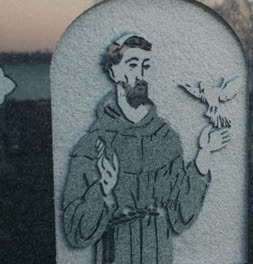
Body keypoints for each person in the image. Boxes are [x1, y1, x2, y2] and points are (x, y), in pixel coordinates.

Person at [62, 34, 230, 264]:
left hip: (159, 253)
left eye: (146, 66)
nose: (140, 75)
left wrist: (204, 155)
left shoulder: (165, 138)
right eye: (132, 65)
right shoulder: (94, 143)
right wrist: (102, 190)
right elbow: (75, 231)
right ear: (114, 72)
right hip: (115, 253)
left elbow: (182, 214)